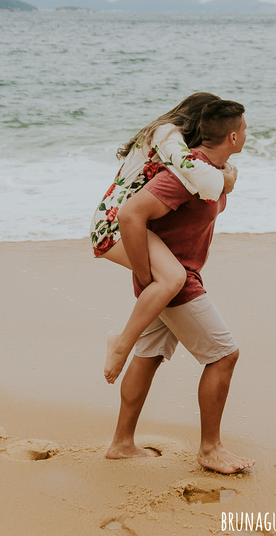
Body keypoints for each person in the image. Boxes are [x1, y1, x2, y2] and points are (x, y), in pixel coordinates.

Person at [105, 99, 254, 474]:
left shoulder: (209, 171)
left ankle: (122, 444)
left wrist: (227, 177)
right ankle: (211, 449)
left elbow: (218, 190)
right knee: (223, 355)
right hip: (176, 281)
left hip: (175, 275)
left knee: (148, 355)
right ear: (234, 136)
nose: (248, 134)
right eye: (246, 129)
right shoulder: (183, 174)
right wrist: (147, 275)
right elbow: (131, 214)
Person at [92, 92, 237, 384]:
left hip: (124, 222)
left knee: (166, 289)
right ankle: (120, 344)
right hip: (114, 225)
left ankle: (123, 429)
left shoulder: (165, 137)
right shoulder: (167, 134)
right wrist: (227, 179)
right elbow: (197, 173)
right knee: (171, 280)